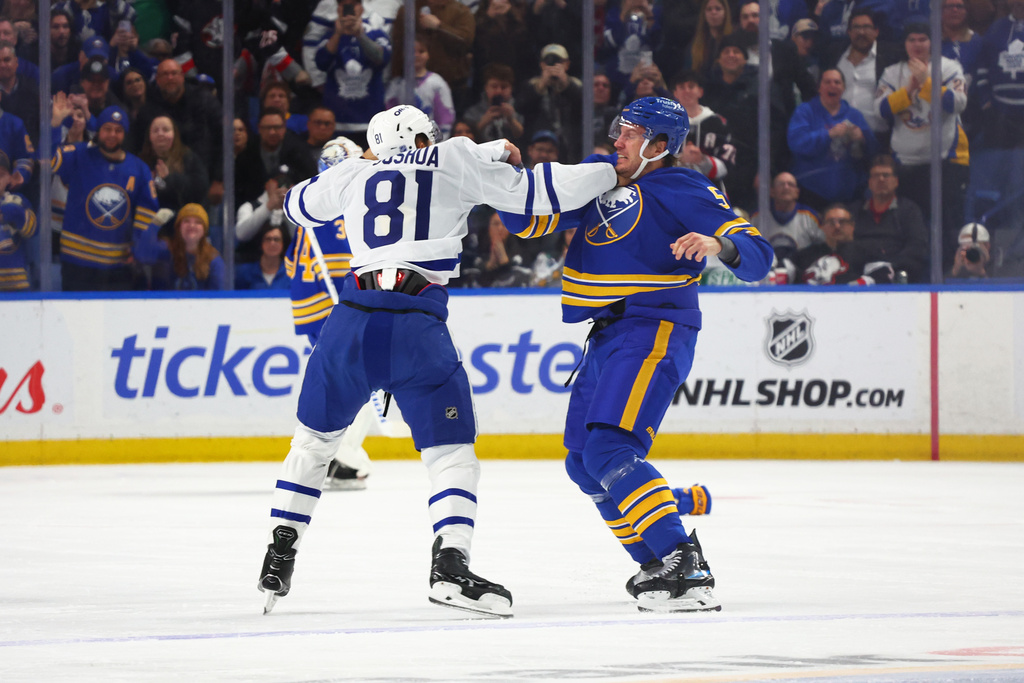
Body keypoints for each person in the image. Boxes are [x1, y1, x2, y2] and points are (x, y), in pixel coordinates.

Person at [258, 104, 619, 617]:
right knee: (451, 457)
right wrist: (613, 170)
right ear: (426, 137)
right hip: (416, 325)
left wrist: (356, 167)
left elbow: (297, 206)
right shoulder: (455, 156)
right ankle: (450, 565)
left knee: (313, 444)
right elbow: (540, 193)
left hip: (350, 321)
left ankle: (279, 556)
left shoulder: (354, 172)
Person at [498, 97, 772, 612]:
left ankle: (685, 563)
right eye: (618, 130)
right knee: (582, 462)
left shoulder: (683, 186)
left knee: (608, 451)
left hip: (656, 324)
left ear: (660, 145)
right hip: (607, 334)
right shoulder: (600, 178)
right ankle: (655, 562)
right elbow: (527, 224)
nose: (617, 141)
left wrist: (719, 246)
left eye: (630, 133)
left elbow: (758, 256)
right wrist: (506, 179)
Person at [287, 135, 375, 490]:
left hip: (313, 309)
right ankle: (339, 460)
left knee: (346, 382)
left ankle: (333, 458)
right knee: (363, 382)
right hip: (334, 308)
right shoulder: (346, 206)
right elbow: (349, 264)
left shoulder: (313, 203)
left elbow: (294, 264)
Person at [876, 21, 969, 271]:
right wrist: (909, 89)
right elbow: (881, 111)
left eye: (922, 39)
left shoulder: (949, 67)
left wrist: (927, 82)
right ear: (905, 44)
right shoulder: (892, 73)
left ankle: (949, 275)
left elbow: (956, 104)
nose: (917, 45)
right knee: (909, 227)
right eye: (912, 40)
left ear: (932, 42)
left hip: (945, 161)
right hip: (906, 164)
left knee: (947, 226)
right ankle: (909, 273)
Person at [50, 103, 160, 291]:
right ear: (98, 130)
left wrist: (138, 249)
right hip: (77, 263)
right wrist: (54, 125)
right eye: (107, 129)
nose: (112, 135)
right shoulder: (79, 154)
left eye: (118, 130)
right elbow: (47, 160)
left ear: (124, 134)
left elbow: (147, 212)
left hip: (118, 267)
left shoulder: (139, 169)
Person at [788, 69, 877, 211]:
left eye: (837, 82)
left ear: (844, 88)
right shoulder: (805, 111)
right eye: (827, 82)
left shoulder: (854, 115)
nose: (833, 86)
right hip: (811, 193)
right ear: (819, 88)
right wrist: (828, 134)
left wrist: (863, 138)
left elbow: (873, 152)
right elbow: (796, 143)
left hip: (850, 196)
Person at [315, 0, 391, 149]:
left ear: (361, 8)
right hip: (337, 124)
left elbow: (381, 58)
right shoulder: (329, 36)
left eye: (353, 4)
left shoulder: (376, 34)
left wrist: (360, 35)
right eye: (344, 4)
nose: (349, 8)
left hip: (370, 123)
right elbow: (321, 62)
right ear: (338, 9)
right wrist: (338, 34)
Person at [825, 9, 901, 147]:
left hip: (879, 138)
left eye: (866, 27)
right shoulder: (834, 54)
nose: (861, 32)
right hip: (840, 139)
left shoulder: (890, 56)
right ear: (849, 32)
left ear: (876, 31)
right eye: (856, 27)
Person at [848, 154, 930, 283]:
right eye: (876, 176)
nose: (881, 179)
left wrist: (891, 265)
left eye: (886, 175)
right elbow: (847, 245)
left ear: (896, 181)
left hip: (897, 275)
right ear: (869, 183)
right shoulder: (854, 211)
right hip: (859, 273)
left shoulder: (909, 210)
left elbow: (917, 246)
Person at [670, 69, 736, 197]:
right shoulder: (665, 124)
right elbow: (653, 164)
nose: (687, 91)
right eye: (682, 87)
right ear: (675, 93)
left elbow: (727, 166)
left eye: (691, 87)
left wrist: (702, 160)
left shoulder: (718, 123)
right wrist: (679, 161)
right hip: (673, 193)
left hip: (711, 193)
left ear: (700, 92)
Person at [794, 203, 895, 285]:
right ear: (823, 227)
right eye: (831, 222)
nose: (837, 226)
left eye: (842, 222)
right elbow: (787, 270)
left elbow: (883, 275)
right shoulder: (807, 254)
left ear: (852, 226)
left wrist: (853, 287)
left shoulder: (867, 250)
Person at [517, 44, 583, 162]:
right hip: (538, 144)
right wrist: (540, 86)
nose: (553, 66)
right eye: (549, 62)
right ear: (542, 64)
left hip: (568, 148)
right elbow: (520, 107)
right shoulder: (531, 85)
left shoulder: (577, 86)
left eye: (559, 62)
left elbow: (584, 110)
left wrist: (566, 86)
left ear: (567, 64)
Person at [383, 35, 456, 140]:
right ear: (404, 54)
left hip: (431, 141)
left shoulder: (437, 83)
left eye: (421, 51)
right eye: (412, 51)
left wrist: (440, 141)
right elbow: (389, 115)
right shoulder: (396, 85)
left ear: (428, 55)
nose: (416, 55)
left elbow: (445, 116)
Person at [138, 115, 209, 218]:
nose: (160, 133)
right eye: (155, 130)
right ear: (149, 136)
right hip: (147, 218)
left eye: (165, 130)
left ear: (174, 134)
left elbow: (200, 189)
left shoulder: (188, 157)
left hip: (182, 219)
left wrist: (170, 179)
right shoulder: (140, 162)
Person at [160, 203, 225, 290]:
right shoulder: (167, 254)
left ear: (204, 230)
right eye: (186, 221)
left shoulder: (214, 261)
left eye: (198, 222)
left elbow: (219, 296)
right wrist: (155, 224)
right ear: (179, 227)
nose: (192, 225)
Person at [0, 151, 37, 291]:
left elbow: (32, 230)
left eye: (1, 175)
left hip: (15, 282)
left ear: (10, 178)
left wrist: (13, 212)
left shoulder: (18, 201)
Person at [462, 62, 525, 144]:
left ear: (511, 88)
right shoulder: (472, 113)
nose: (499, 91)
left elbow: (523, 136)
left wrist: (511, 120)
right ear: (486, 88)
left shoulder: (520, 109)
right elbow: (466, 138)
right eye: (494, 86)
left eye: (504, 87)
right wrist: (483, 122)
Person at [685, 0, 732, 81]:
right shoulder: (694, 46)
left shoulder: (734, 41)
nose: (713, 12)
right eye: (709, 9)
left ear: (725, 13)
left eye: (718, 9)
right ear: (704, 14)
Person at [235, 224, 291, 290]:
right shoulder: (244, 272)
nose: (272, 243)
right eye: (268, 239)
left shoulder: (293, 273)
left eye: (276, 239)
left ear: (283, 244)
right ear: (261, 243)